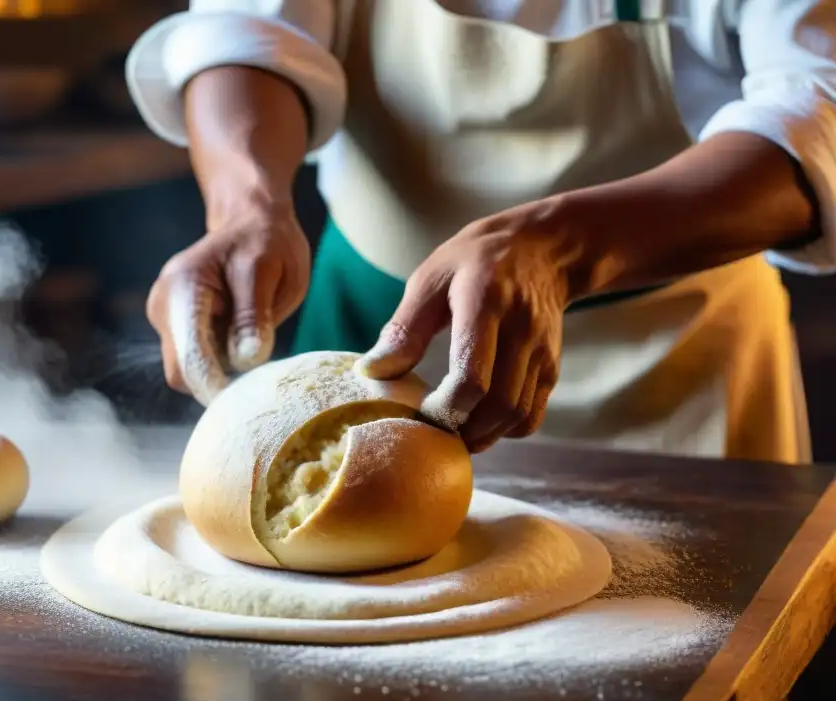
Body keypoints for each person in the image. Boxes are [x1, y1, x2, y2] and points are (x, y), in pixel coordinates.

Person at [127, 0, 834, 464]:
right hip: (372, 343)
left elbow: (819, 108)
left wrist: (559, 247)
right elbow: (249, 30)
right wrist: (247, 205)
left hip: (672, 368)